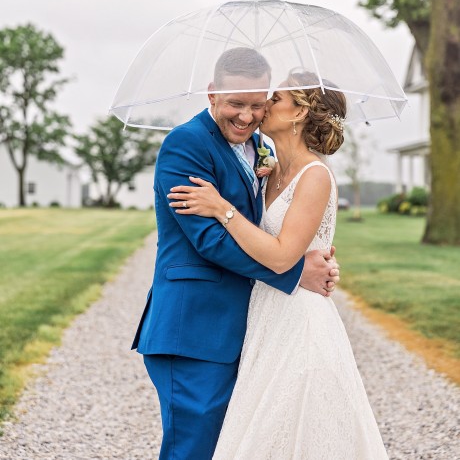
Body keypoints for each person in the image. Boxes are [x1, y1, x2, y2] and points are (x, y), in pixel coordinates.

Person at [169, 70, 389, 460]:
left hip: (300, 320)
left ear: (299, 113)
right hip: (267, 313)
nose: (262, 107)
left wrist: (221, 208)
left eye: (275, 99)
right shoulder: (270, 172)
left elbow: (283, 255)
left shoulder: (315, 175)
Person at [132, 50, 340, 460]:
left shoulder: (261, 148)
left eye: (258, 104)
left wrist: (314, 255)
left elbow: (276, 227)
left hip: (247, 328)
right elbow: (208, 240)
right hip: (193, 329)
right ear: (212, 94)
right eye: (235, 104)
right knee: (193, 449)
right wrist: (294, 272)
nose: (247, 117)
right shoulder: (186, 144)